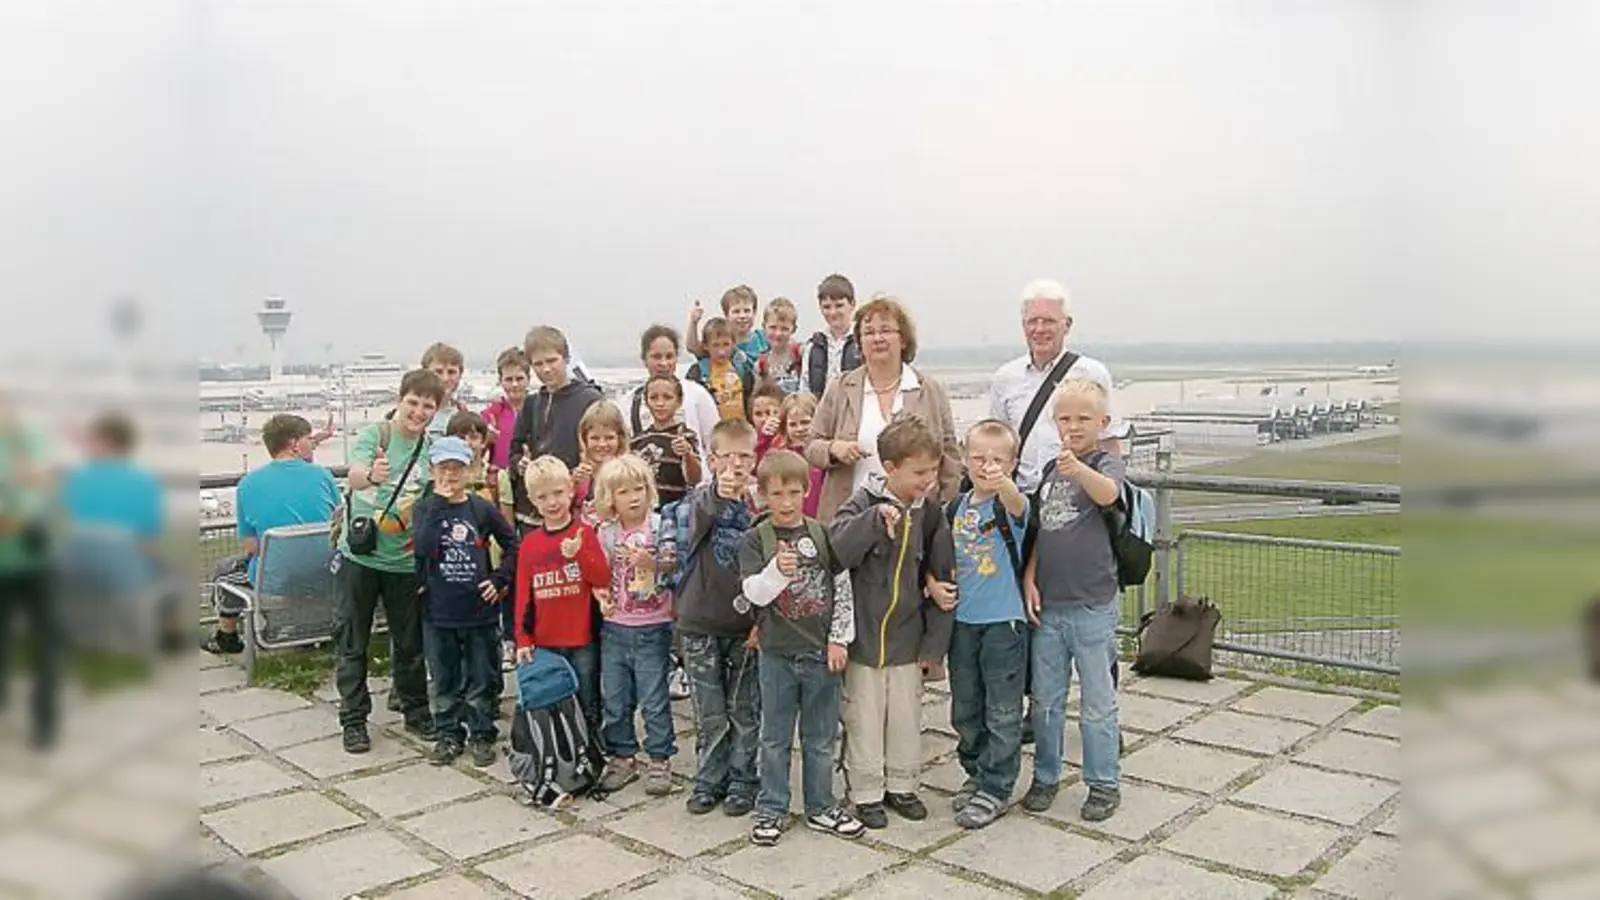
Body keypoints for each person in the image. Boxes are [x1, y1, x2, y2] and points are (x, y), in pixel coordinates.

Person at [985, 278, 1128, 739]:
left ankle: (1105, 712)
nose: (1040, 329)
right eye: (1032, 321)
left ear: (1067, 324)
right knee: (1033, 610)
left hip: (1082, 503)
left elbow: (1110, 442)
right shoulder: (1006, 378)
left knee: (1091, 613)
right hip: (1023, 503)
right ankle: (1038, 708)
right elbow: (997, 440)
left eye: (1049, 320)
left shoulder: (1092, 372)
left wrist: (1112, 499)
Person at [828, 417, 956, 829]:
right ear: (889, 467)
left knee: (905, 718)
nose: (928, 480)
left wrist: (934, 647)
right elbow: (838, 552)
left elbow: (942, 580)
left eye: (933, 471)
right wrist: (872, 521)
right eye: (920, 472)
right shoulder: (861, 504)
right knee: (863, 717)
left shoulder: (931, 515)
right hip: (863, 640)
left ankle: (903, 785)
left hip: (907, 638)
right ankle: (865, 791)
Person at [739, 450, 865, 846]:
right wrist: (776, 571)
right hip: (776, 652)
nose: (787, 502)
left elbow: (841, 587)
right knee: (774, 737)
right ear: (762, 495)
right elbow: (752, 594)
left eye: (794, 492)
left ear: (807, 491)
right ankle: (772, 808)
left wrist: (838, 639)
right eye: (777, 494)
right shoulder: (755, 539)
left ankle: (821, 805)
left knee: (820, 735)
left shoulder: (822, 534)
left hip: (819, 653)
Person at [1020, 379, 1125, 823]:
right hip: (1051, 605)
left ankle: (1103, 782)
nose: (1074, 425)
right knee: (1045, 700)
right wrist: (1029, 577)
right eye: (1065, 418)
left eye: (1084, 418)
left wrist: (1078, 468)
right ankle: (1046, 775)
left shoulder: (1106, 462)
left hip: (1092, 605)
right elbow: (1044, 529)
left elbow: (1109, 494)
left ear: (1102, 423)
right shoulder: (1048, 470)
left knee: (1098, 702)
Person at [334, 369, 445, 753]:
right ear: (400, 400)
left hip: (404, 561)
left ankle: (415, 712)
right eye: (412, 402)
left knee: (409, 643)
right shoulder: (376, 436)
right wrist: (371, 475)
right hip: (361, 558)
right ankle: (353, 719)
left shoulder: (431, 448)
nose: (418, 411)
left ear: (435, 411)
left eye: (427, 406)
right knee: (353, 640)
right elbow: (355, 476)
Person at [666, 419, 761, 817]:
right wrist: (720, 495)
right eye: (727, 456)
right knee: (709, 710)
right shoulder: (695, 501)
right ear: (711, 458)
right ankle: (709, 778)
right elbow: (693, 524)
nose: (736, 465)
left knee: (744, 709)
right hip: (699, 622)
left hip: (745, 627)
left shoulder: (760, 505)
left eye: (744, 456)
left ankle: (743, 779)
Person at [805, 293, 961, 522]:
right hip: (850, 521)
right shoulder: (839, 388)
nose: (877, 338)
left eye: (886, 330)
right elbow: (810, 446)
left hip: (914, 519)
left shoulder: (929, 389)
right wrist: (833, 449)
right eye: (869, 332)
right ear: (859, 342)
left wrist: (943, 510)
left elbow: (950, 456)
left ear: (904, 339)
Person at [412, 437, 519, 768]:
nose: (450, 476)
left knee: (481, 678)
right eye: (443, 469)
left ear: (469, 469)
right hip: (439, 610)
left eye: (457, 468)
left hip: (478, 611)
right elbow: (424, 548)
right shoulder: (423, 508)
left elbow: (512, 544)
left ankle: (482, 733)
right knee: (444, 679)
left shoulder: (481, 507)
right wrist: (439, 506)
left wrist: (500, 578)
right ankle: (448, 733)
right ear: (432, 471)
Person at [945, 420, 1030, 829]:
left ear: (1013, 464)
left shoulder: (1009, 505)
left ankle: (997, 785)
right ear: (964, 459)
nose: (986, 465)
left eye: (998, 459)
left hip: (1003, 624)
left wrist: (1003, 484)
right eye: (978, 457)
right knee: (966, 705)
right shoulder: (955, 508)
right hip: (962, 623)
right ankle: (975, 771)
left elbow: (1018, 505)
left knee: (1002, 710)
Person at [204, 414, 339, 655]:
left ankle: (227, 637)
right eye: (310, 439)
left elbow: (251, 547)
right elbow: (340, 521)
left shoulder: (248, 484)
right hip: (325, 572)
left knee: (224, 573)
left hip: (276, 582)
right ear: (294, 444)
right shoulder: (323, 476)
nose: (312, 444)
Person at [593, 454, 677, 796]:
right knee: (615, 696)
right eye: (624, 491)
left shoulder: (660, 525)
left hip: (653, 625)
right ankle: (622, 754)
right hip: (615, 626)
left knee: (654, 696)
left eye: (639, 488)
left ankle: (660, 758)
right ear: (610, 499)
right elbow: (598, 574)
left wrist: (652, 561)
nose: (634, 497)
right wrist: (601, 597)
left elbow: (673, 564)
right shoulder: (607, 533)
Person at [513, 455, 611, 741]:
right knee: (554, 701)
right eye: (543, 497)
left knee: (588, 698)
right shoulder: (530, 543)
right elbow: (523, 595)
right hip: (546, 640)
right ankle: (562, 748)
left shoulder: (585, 532)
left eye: (558, 493)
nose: (552, 502)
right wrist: (522, 637)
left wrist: (579, 553)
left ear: (571, 490)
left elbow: (601, 577)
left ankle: (592, 749)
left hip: (582, 638)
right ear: (533, 500)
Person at [0, 401, 57, 749]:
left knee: (44, 644)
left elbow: (46, 486)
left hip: (37, 562)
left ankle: (44, 721)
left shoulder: (30, 441)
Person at [509, 325, 604, 506]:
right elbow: (515, 449)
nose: (546, 369)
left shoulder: (590, 399)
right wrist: (519, 464)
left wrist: (588, 470)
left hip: (579, 500)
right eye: (538, 364)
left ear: (566, 359)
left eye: (552, 361)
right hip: (540, 501)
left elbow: (608, 447)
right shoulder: (531, 404)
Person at [622, 324, 719, 459]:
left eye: (669, 356)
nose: (664, 363)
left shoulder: (696, 394)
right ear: (644, 359)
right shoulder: (631, 400)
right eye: (656, 357)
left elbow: (714, 443)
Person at [629, 373, 703, 510]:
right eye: (653, 398)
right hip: (646, 511)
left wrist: (687, 454)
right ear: (646, 402)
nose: (660, 403)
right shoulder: (638, 440)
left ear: (679, 401)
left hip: (676, 510)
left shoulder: (686, 436)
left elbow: (695, 479)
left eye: (667, 397)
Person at [481, 346, 532, 504]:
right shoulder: (490, 414)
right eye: (509, 380)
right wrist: (486, 440)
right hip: (500, 487)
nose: (515, 385)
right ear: (500, 380)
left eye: (519, 378)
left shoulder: (539, 409)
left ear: (528, 378)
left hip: (530, 484)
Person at [802, 274, 862, 398]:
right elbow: (805, 388)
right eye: (827, 307)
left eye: (839, 305)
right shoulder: (813, 346)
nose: (832, 313)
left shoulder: (863, 341)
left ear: (852, 304)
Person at [687, 285, 767, 375]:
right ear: (726, 315)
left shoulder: (762, 338)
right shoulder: (720, 339)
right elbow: (692, 348)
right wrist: (693, 323)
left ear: (754, 312)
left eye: (747, 311)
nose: (742, 316)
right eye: (736, 311)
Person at [687, 318, 755, 423]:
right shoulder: (699, 371)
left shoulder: (741, 368)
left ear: (734, 343)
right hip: (713, 429)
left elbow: (750, 396)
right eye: (715, 345)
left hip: (741, 428)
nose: (721, 352)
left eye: (726, 344)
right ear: (705, 346)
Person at [571, 401, 628, 526]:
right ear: (584, 439)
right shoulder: (581, 475)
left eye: (609, 438)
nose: (602, 444)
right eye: (595, 438)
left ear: (620, 438)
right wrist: (573, 486)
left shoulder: (628, 473)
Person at [778, 393, 824, 518]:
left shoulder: (823, 456)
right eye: (793, 424)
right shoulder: (782, 455)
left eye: (805, 422)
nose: (800, 429)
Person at [754, 297, 804, 395]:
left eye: (784, 329)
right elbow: (757, 396)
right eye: (773, 327)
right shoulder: (761, 364)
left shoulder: (801, 353)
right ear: (764, 327)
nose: (778, 334)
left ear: (793, 329)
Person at [421, 342, 470, 440]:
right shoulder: (411, 414)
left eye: (451, 372)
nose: (445, 378)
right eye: (438, 372)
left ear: (460, 375)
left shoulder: (464, 415)